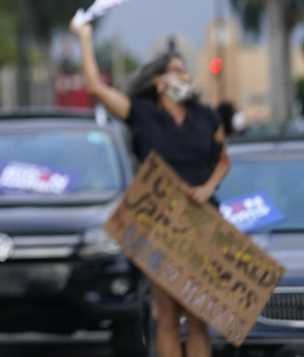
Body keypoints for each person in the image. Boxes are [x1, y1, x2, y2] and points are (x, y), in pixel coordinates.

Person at [72, 19, 231, 357]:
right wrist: (85, 38)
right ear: (159, 82)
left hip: (202, 222)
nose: (183, 77)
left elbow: (223, 161)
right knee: (167, 317)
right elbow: (96, 88)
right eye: (175, 71)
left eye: (185, 71)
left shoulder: (206, 117)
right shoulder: (141, 114)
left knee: (199, 318)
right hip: (160, 225)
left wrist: (206, 189)